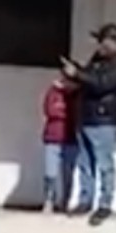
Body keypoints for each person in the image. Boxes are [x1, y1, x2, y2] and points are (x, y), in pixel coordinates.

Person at [61, 23, 116, 226]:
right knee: (85, 164)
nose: (99, 45)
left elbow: (101, 83)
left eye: (102, 41)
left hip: (104, 121)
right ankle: (85, 200)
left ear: (114, 42)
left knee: (104, 165)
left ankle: (105, 204)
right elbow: (89, 77)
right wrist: (74, 70)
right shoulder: (98, 60)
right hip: (85, 117)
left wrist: (78, 74)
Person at [40, 74, 78, 213]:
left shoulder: (77, 95)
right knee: (50, 173)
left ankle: (65, 201)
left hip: (71, 138)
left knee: (68, 174)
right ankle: (49, 200)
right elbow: (50, 111)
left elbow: (76, 113)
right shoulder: (53, 92)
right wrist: (66, 113)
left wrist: (64, 112)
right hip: (53, 137)